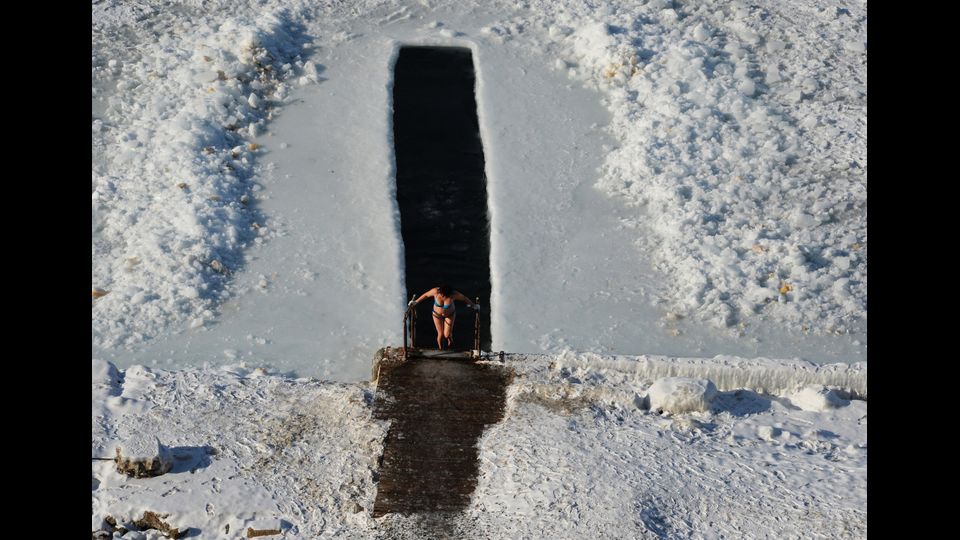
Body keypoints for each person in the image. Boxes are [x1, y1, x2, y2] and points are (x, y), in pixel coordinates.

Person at [409, 284, 478, 350]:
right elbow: (426, 295)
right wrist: (416, 302)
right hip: (437, 314)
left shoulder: (454, 294)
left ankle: (450, 339)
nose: (443, 296)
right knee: (440, 334)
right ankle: (441, 349)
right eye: (442, 294)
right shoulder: (435, 291)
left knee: (447, 335)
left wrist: (473, 305)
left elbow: (464, 298)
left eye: (445, 296)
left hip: (450, 314)